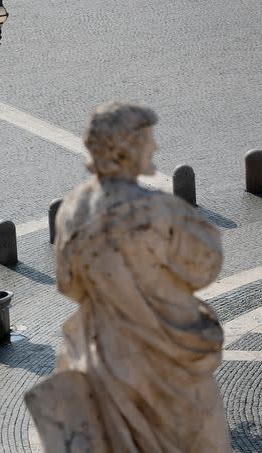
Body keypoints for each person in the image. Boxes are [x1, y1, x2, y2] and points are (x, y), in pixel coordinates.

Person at [25, 102, 231, 452]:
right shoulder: (159, 212)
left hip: (104, 357)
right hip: (167, 356)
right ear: (129, 146)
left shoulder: (72, 210)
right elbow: (205, 267)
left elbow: (68, 284)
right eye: (148, 139)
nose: (155, 147)